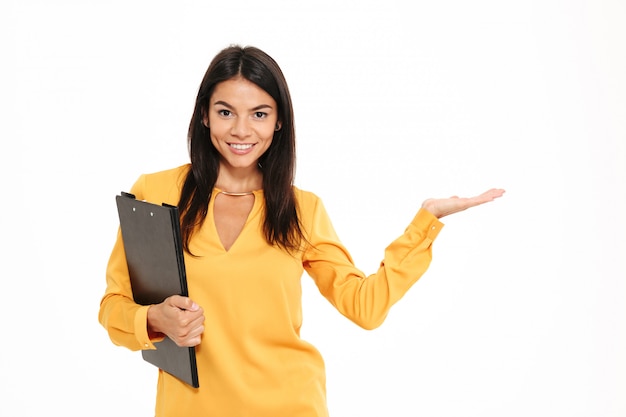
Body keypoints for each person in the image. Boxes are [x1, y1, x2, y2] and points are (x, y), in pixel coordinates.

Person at [98, 44, 505, 417]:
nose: (242, 130)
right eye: (226, 112)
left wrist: (425, 222)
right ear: (204, 115)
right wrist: (155, 319)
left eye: (259, 114)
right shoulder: (155, 194)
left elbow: (365, 306)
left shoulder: (301, 210)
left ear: (278, 123)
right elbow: (113, 308)